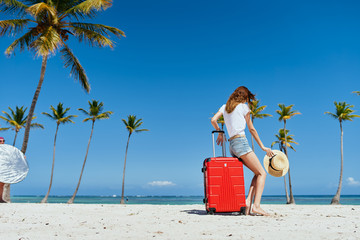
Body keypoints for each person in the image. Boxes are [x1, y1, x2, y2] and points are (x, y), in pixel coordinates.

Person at [211, 86, 274, 216]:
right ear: (244, 97)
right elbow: (252, 129)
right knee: (262, 173)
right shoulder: (244, 108)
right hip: (241, 142)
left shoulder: (225, 107)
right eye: (247, 98)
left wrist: (220, 133)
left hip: (232, 146)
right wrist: (263, 147)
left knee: (257, 173)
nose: (247, 101)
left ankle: (247, 203)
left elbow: (213, 120)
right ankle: (256, 206)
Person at [0, 137, 5, 202]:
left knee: (2, 185)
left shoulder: (6, 150)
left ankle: (0, 199)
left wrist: (21, 157)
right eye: (0, 141)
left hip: (3, 169)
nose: (2, 142)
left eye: (3, 141)